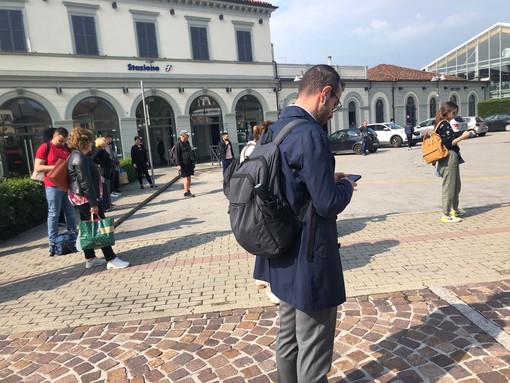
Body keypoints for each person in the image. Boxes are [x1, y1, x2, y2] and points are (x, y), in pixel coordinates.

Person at [253, 64, 356, 382]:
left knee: (288, 340)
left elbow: (293, 186)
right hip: (309, 257)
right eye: (337, 102)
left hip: (279, 253)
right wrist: (345, 186)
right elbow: (326, 204)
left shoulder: (275, 129)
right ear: (325, 94)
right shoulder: (311, 134)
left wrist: (326, 179)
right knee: (313, 355)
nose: (334, 110)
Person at [67, 127, 129, 270]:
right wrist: (94, 203)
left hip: (81, 199)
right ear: (84, 142)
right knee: (101, 228)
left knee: (87, 228)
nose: (92, 144)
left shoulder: (75, 156)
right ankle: (111, 259)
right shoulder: (79, 158)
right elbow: (85, 182)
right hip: (87, 199)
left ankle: (90, 258)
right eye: (89, 141)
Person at [239, 121, 279, 305]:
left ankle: (260, 276)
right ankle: (271, 287)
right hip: (261, 202)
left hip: (247, 202)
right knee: (270, 240)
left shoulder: (246, 149)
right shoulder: (265, 151)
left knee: (263, 240)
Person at [34, 127, 77, 256]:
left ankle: (73, 235)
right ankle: (52, 240)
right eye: (60, 141)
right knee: (54, 213)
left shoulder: (67, 148)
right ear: (55, 135)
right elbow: (38, 167)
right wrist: (56, 167)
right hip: (52, 185)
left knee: (70, 212)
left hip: (66, 185)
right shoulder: (45, 147)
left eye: (64, 141)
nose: (62, 143)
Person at [435, 101, 471, 223]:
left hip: (450, 157)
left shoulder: (442, 124)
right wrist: (462, 137)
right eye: (453, 112)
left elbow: (449, 137)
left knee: (456, 184)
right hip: (449, 157)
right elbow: (448, 143)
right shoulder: (444, 124)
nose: (455, 115)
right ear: (447, 112)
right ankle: (446, 214)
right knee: (449, 185)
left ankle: (454, 209)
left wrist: (460, 134)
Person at [91, 137, 115, 210]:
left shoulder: (102, 150)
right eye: (104, 141)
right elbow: (93, 158)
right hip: (103, 172)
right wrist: (99, 163)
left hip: (107, 171)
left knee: (107, 189)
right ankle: (106, 206)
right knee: (104, 189)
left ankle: (108, 204)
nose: (106, 143)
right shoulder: (99, 150)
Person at [175, 130, 196, 197]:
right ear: (183, 135)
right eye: (187, 135)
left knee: (189, 176)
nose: (188, 136)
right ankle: (186, 192)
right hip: (183, 163)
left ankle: (188, 190)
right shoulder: (178, 143)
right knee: (186, 177)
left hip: (189, 162)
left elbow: (190, 151)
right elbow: (177, 155)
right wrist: (178, 164)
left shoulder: (186, 142)